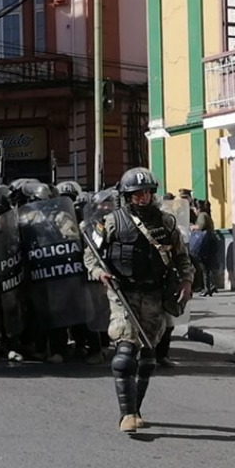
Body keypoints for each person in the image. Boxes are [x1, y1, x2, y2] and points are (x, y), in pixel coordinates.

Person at [84, 167, 193, 433]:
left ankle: (137, 407)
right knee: (124, 353)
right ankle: (127, 414)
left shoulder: (166, 223)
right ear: (126, 196)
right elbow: (90, 255)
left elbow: (182, 257)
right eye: (136, 194)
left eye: (146, 193)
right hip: (124, 293)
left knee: (147, 356)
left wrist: (187, 281)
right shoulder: (110, 222)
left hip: (154, 294)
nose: (142, 198)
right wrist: (100, 273)